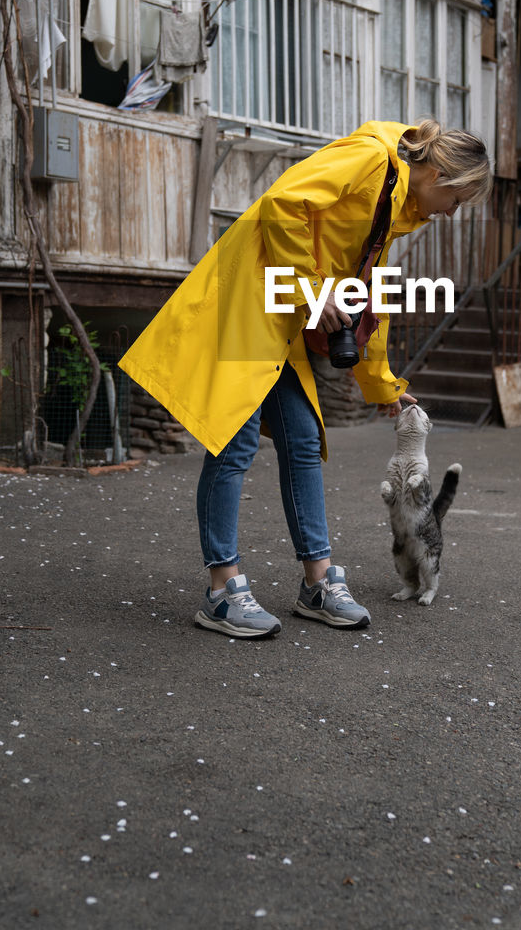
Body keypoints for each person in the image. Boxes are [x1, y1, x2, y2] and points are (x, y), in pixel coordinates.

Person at [119, 119, 492, 639]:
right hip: (249, 303)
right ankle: (221, 591)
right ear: (440, 173)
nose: (453, 213)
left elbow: (368, 293)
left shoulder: (394, 205)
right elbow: (282, 204)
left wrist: (382, 382)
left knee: (300, 440)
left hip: (283, 316)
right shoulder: (370, 161)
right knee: (235, 443)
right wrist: (315, 289)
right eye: (459, 199)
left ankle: (317, 583)